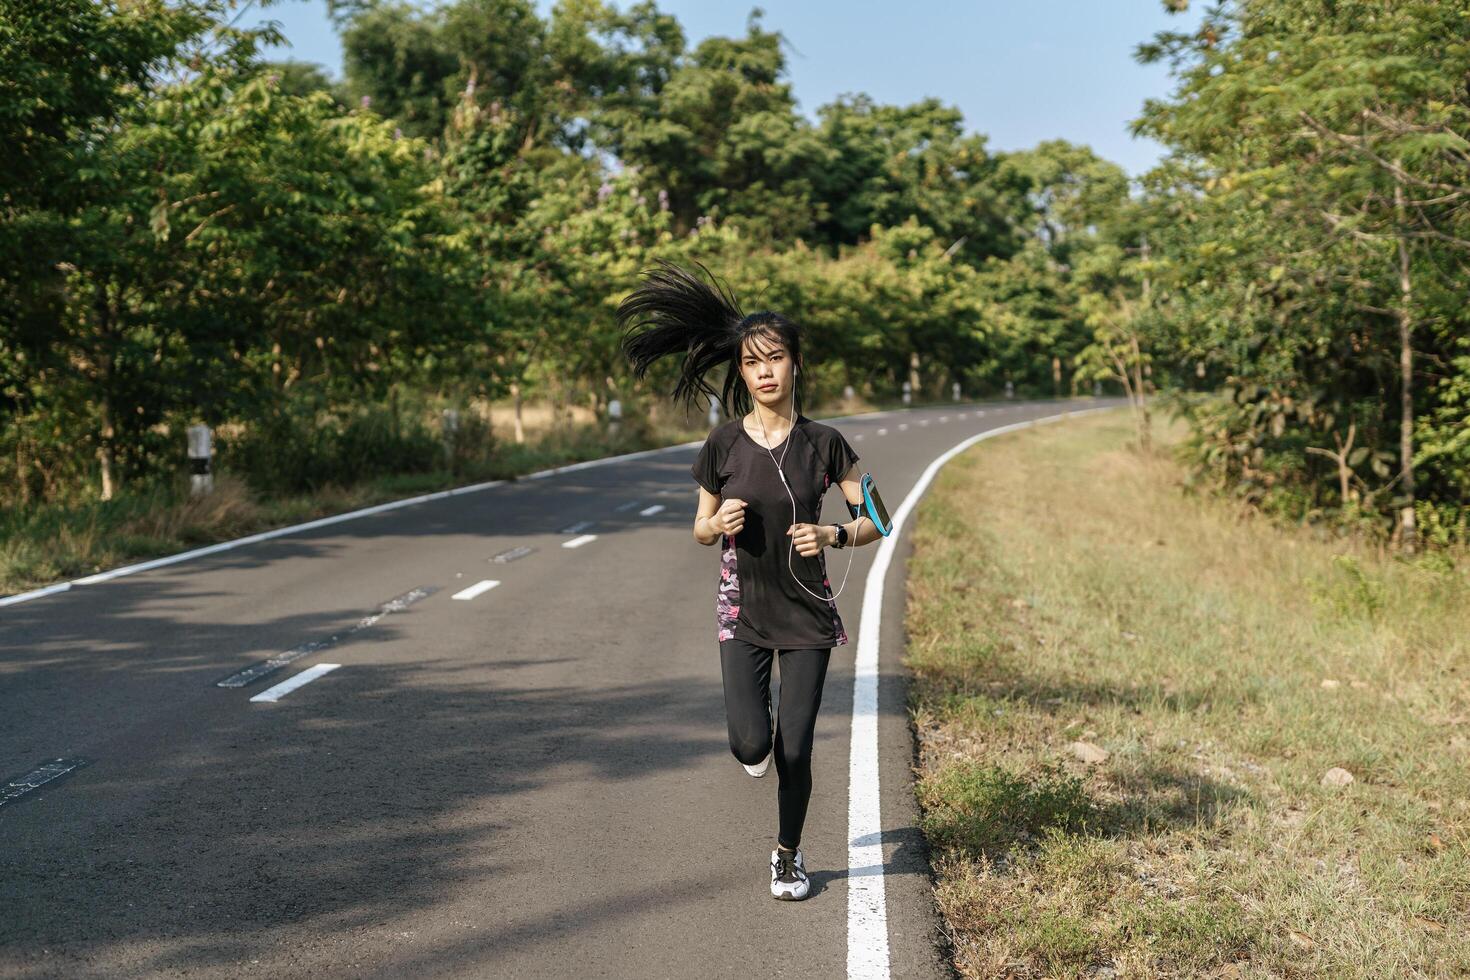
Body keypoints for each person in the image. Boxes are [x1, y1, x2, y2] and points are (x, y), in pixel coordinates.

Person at [616, 259, 882, 901]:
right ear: (740, 372)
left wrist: (832, 534)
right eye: (752, 362)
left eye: (776, 359)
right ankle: (754, 751)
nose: (765, 372)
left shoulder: (826, 443)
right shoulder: (723, 445)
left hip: (809, 615)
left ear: (795, 365)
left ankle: (788, 855)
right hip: (743, 611)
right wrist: (719, 522)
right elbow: (700, 528)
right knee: (749, 742)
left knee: (795, 747)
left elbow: (875, 517)